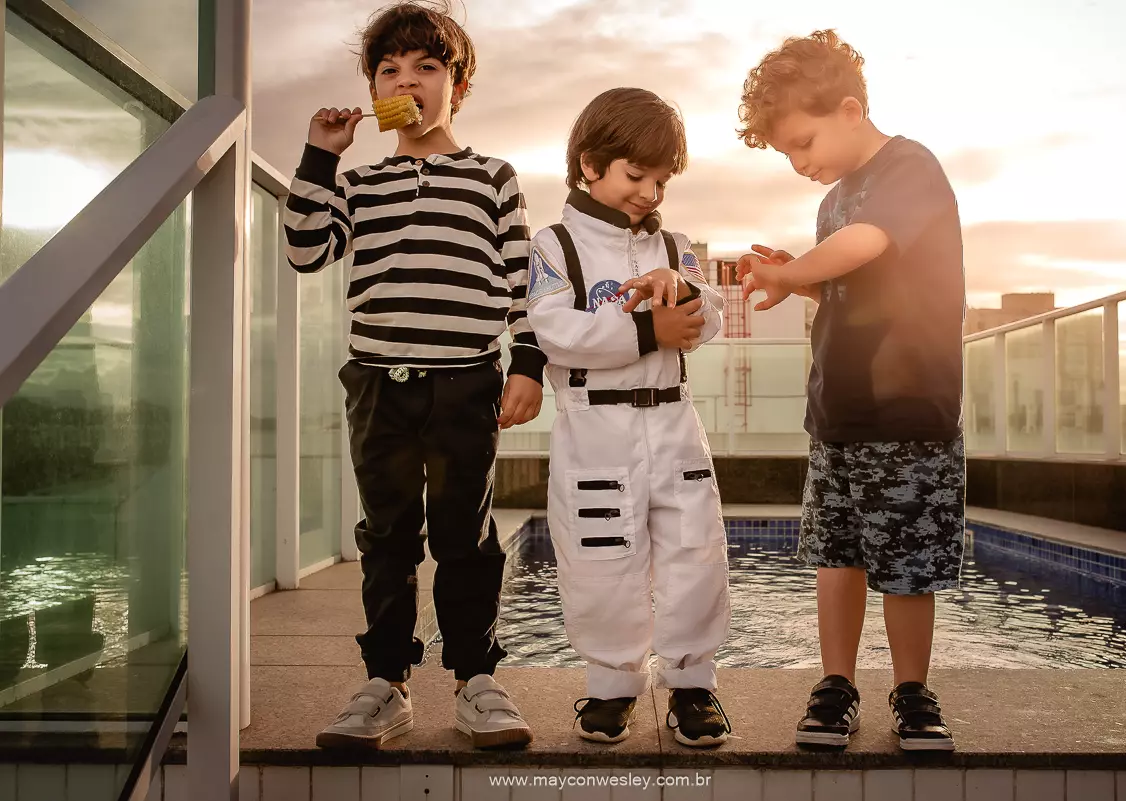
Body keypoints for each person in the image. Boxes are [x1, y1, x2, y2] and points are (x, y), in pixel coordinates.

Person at [283, 1, 545, 750]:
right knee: (388, 536)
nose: (408, 80)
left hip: (466, 382)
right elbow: (305, 250)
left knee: (465, 535)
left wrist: (526, 362)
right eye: (389, 70)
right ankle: (386, 681)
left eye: (426, 67)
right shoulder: (359, 185)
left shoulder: (493, 177)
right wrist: (319, 155)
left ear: (456, 86)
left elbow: (518, 279)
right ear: (373, 93)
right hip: (378, 384)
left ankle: (476, 678)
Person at [735, 30, 966, 751]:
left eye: (803, 143)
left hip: (909, 412)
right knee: (835, 555)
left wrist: (798, 270)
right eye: (787, 154)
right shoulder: (832, 201)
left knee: (904, 562)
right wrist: (799, 275)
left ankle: (911, 691)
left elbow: (869, 244)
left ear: (848, 107)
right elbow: (849, 282)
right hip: (837, 412)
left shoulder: (910, 168)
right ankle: (836, 684)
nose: (799, 163)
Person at [526, 87, 733, 748]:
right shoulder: (555, 245)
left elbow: (714, 318)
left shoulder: (673, 244)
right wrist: (647, 330)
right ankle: (612, 684)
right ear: (591, 164)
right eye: (635, 174)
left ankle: (693, 683)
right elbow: (555, 330)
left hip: (674, 422)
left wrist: (684, 292)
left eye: (662, 179)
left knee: (695, 549)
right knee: (601, 554)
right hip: (595, 427)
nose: (649, 191)